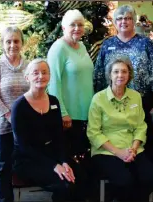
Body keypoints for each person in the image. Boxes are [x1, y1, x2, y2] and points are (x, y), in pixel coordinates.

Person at [94, 4, 153, 162]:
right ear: (114, 22)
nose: (123, 22)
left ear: (134, 21)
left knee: (142, 138)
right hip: (112, 102)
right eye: (119, 18)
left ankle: (145, 178)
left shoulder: (146, 43)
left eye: (128, 18)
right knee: (115, 135)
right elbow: (98, 74)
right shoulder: (107, 44)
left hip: (142, 102)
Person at [11, 59, 86, 202]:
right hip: (27, 158)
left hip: (52, 153)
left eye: (44, 72)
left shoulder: (54, 101)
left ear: (49, 76)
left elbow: (59, 137)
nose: (41, 76)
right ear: (27, 77)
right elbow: (24, 146)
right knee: (64, 185)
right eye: (35, 73)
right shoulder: (19, 106)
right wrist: (54, 166)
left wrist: (64, 162)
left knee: (81, 176)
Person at [87, 56, 153, 202]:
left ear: (129, 75)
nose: (120, 75)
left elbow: (141, 126)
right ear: (110, 75)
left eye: (124, 72)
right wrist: (118, 152)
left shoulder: (135, 96)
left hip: (133, 149)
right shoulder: (98, 99)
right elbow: (93, 132)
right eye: (116, 72)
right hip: (107, 151)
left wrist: (133, 148)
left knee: (150, 178)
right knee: (124, 181)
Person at [0, 26, 29, 202]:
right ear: (3, 44)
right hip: (0, 126)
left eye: (16, 41)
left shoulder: (28, 65)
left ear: (22, 43)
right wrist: (8, 114)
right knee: (2, 167)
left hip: (22, 125)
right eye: (8, 41)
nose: (13, 45)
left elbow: (33, 90)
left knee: (20, 164)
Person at [47, 9, 94, 160]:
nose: (77, 28)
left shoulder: (82, 46)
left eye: (80, 25)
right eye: (72, 25)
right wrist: (62, 113)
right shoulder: (58, 48)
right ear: (63, 27)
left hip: (87, 112)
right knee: (71, 158)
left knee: (83, 156)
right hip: (69, 116)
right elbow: (53, 82)